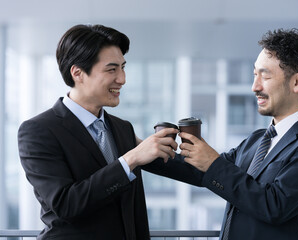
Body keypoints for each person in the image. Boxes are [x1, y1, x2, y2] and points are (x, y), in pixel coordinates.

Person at [17, 24, 198, 240]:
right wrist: (130, 159)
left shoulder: (122, 128)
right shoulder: (38, 131)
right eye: (112, 69)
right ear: (78, 73)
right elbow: (66, 204)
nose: (122, 79)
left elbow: (177, 168)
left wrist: (234, 165)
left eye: (123, 67)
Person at [178, 28, 298, 239]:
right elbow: (202, 170)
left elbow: (274, 205)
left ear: (297, 81)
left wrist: (213, 164)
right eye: (255, 75)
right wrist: (138, 150)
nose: (254, 86)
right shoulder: (258, 139)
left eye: (265, 75)